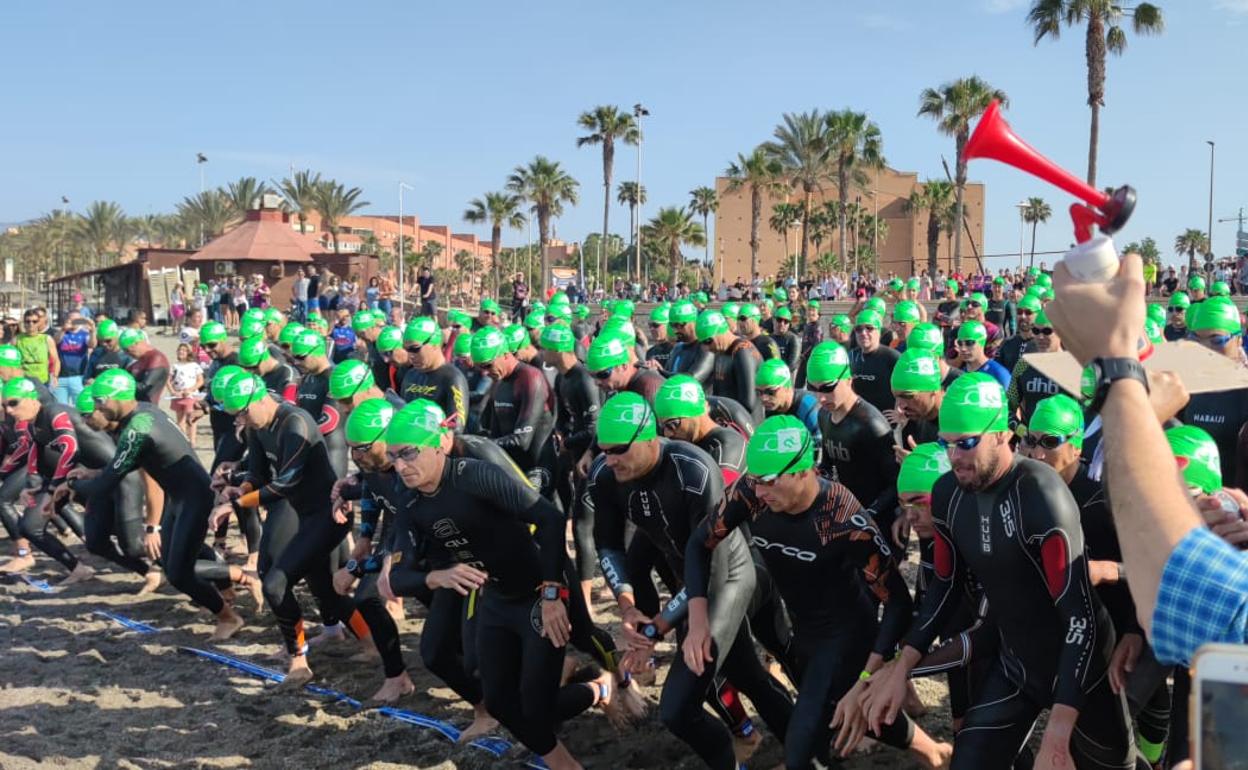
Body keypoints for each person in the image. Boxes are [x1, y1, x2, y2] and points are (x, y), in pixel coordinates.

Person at [860, 373, 1134, 770]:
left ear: (1002, 435)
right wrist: (901, 669)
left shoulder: (1042, 493)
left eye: (966, 443)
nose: (955, 457)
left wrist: (1057, 734)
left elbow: (1080, 618)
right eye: (947, 443)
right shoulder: (950, 492)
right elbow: (945, 587)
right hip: (1017, 663)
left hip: (1080, 668)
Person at [688, 416, 951, 770]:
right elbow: (699, 544)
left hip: (847, 636)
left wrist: (870, 672)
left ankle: (926, 750)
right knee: (844, 711)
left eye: (768, 481)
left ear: (802, 471)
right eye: (755, 481)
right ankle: (933, 753)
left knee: (802, 746)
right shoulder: (753, 496)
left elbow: (897, 602)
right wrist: (698, 619)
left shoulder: (843, 518)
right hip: (805, 628)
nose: (760, 492)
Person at [378, 398, 607, 770]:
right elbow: (399, 579)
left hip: (538, 588)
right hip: (497, 597)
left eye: (409, 453)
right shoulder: (409, 502)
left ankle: (607, 686)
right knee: (499, 701)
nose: (401, 466)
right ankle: (566, 764)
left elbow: (549, 519)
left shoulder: (474, 474)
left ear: (438, 445)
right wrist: (438, 576)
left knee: (552, 686)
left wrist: (552, 594)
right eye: (394, 457)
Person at [588, 392, 792, 770]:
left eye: (618, 449)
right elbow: (608, 543)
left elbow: (710, 564)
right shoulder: (606, 474)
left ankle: (795, 751)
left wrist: (659, 628)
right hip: (691, 580)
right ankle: (804, 748)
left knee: (678, 706)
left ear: (649, 438)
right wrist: (628, 606)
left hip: (728, 576)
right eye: (604, 450)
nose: (609, 459)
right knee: (747, 676)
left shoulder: (693, 469)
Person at [209, 372, 366, 684]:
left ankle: (299, 659)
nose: (242, 421)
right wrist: (239, 488)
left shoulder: (296, 422)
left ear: (260, 399)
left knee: (276, 583)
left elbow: (285, 483)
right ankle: (361, 639)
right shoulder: (259, 427)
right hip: (304, 514)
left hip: (328, 515)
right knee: (321, 586)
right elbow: (258, 473)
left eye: (242, 413)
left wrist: (236, 505)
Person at [67, 369, 244, 640]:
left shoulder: (137, 428)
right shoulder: (143, 412)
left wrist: (71, 485)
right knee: (176, 558)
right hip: (180, 496)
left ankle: (230, 614)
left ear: (119, 398)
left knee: (178, 573)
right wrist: (91, 474)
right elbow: (133, 462)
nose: (97, 406)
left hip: (194, 498)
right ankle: (228, 590)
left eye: (100, 400)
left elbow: (106, 485)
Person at [807, 340, 902, 541]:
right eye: (812, 388)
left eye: (827, 387)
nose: (820, 398)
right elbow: (828, 464)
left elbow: (896, 484)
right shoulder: (824, 415)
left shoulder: (871, 424)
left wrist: (866, 517)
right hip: (847, 516)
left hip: (877, 521)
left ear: (848, 380)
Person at [470, 327, 556, 495]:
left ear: (505, 354)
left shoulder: (531, 378)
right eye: (480, 368)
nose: (486, 373)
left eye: (488, 365)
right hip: (512, 466)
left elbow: (522, 440)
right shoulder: (499, 381)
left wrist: (482, 444)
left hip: (538, 466)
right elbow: (493, 433)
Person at [1179, 298, 1248, 488]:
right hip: (1192, 501)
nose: (1206, 349)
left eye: (1217, 340)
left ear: (1238, 339)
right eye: (1196, 340)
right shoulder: (1185, 384)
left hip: (1236, 507)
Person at [398, 316, 468, 430]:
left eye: (415, 349)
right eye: (407, 350)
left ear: (434, 344)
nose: (410, 355)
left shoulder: (452, 378)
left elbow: (456, 428)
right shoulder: (410, 375)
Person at [696, 309, 763, 423]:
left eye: (708, 341)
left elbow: (748, 403)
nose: (706, 348)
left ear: (721, 331)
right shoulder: (720, 352)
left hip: (747, 427)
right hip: (729, 423)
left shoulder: (742, 352)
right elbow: (717, 393)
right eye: (702, 343)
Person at [848, 310, 901, 414]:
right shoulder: (852, 356)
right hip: (860, 419)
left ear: (879, 331)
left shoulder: (892, 357)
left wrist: (901, 413)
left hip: (885, 422)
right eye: (859, 329)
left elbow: (908, 390)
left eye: (869, 328)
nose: (863, 333)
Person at [754, 360, 820, 438]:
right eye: (759, 392)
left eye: (770, 392)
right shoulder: (772, 408)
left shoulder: (808, 406)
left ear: (787, 387)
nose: (764, 398)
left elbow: (822, 447)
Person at [664, 299, 714, 384]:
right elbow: (665, 378)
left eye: (680, 325)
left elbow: (693, 379)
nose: (676, 330)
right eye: (673, 325)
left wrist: (661, 371)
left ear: (694, 321)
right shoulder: (677, 348)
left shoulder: (706, 347)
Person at [954, 320, 1011, 390]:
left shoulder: (999, 373)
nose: (963, 348)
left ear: (981, 342)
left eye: (969, 343)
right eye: (960, 343)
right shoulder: (961, 375)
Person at [119, 329, 170, 404]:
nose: (128, 354)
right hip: (136, 407)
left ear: (137, 343)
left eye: (128, 350)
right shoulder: (138, 361)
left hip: (148, 408)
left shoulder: (157, 358)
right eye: (125, 352)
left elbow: (145, 387)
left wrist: (121, 382)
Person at [53, 312, 93, 405]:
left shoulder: (85, 334)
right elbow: (54, 341)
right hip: (61, 377)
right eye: (71, 319)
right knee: (61, 407)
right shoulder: (62, 333)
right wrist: (63, 329)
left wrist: (93, 331)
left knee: (80, 405)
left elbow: (92, 344)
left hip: (78, 376)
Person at [169, 343, 205, 445]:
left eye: (184, 350)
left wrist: (190, 389)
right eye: (180, 350)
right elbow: (168, 380)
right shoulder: (175, 366)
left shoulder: (194, 366)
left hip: (191, 396)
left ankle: (192, 440)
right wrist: (173, 391)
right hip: (178, 396)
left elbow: (200, 381)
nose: (181, 352)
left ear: (189, 353)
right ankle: (183, 440)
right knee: (180, 419)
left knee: (191, 418)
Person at [15, 308, 58, 386]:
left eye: (34, 321)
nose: (31, 324)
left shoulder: (47, 339)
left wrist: (55, 376)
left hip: (43, 381)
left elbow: (56, 360)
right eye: (28, 321)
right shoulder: (16, 339)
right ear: (24, 323)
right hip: (23, 381)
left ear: (39, 323)